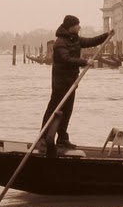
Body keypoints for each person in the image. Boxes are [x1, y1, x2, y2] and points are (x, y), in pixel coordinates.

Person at [42, 15, 110, 152]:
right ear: (71, 26)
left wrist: (107, 35)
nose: (80, 27)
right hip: (60, 82)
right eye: (78, 25)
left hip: (72, 81)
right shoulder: (60, 43)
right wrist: (85, 62)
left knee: (67, 111)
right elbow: (66, 59)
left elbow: (92, 41)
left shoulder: (75, 39)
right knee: (54, 109)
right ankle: (43, 139)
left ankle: (62, 139)